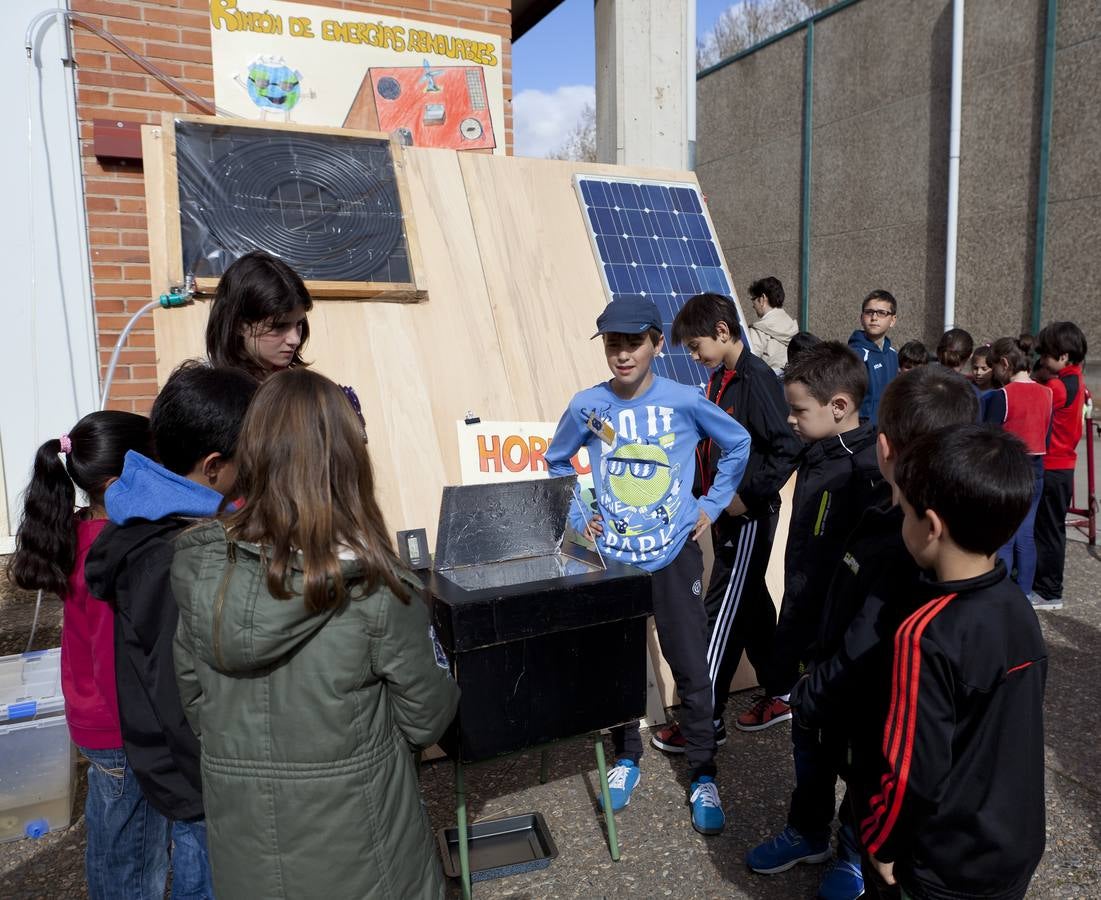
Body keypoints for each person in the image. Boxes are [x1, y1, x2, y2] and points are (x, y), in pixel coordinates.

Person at [171, 369, 459, 899]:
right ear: (349, 461)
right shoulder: (377, 588)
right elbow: (427, 717)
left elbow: (195, 703)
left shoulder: (202, 572)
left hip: (246, 857)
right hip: (366, 858)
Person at [545, 294, 751, 835]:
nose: (622, 353)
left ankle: (703, 771)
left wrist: (709, 505)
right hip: (612, 560)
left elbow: (737, 443)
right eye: (613, 343)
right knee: (617, 662)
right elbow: (555, 461)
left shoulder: (685, 399)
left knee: (689, 662)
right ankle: (626, 756)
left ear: (657, 344)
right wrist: (580, 511)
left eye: (633, 342)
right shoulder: (588, 405)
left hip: (673, 555)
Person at [788, 366, 979, 900]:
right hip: (832, 690)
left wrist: (812, 690)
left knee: (866, 790)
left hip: (862, 712)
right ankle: (816, 837)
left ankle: (855, 853)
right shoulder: (880, 514)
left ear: (886, 448)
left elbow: (869, 642)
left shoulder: (914, 550)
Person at [85, 362, 259, 899]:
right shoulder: (169, 554)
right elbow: (173, 685)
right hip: (195, 775)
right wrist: (219, 776)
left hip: (177, 762)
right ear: (212, 467)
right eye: (249, 459)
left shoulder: (148, 517)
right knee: (203, 874)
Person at [862, 425, 1046, 900]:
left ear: (931, 525)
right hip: (1014, 842)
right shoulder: (1016, 605)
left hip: (946, 860)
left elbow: (911, 772)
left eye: (904, 512)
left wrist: (882, 843)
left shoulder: (924, 635)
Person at [744, 342, 887, 893]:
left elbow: (867, 576)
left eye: (799, 410)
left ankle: (854, 851)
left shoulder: (867, 472)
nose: (790, 419)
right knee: (808, 734)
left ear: (840, 406)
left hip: (848, 644)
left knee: (856, 750)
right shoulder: (818, 453)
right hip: (806, 630)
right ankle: (807, 830)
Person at [8, 412, 159, 899]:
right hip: (123, 723)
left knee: (113, 839)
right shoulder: (121, 548)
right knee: (132, 858)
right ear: (120, 480)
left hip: (92, 715)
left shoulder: (72, 531)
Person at [652, 293, 800, 753]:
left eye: (696, 347)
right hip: (724, 513)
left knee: (718, 615)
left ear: (722, 331)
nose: (694, 358)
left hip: (749, 517)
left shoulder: (756, 380)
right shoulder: (722, 378)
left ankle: (704, 718)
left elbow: (786, 448)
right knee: (751, 606)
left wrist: (745, 496)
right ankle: (782, 691)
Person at [984, 337, 1053, 599]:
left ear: (1004, 364)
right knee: (1025, 535)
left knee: (1005, 536)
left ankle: (1000, 595)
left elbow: (988, 438)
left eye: (995, 368)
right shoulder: (1047, 393)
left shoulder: (1003, 395)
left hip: (1008, 470)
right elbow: (1046, 435)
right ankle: (1024, 594)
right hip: (1036, 468)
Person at [1032, 321, 1089, 610]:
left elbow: (1037, 401)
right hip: (1061, 466)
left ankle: (1049, 591)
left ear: (1063, 356)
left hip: (1054, 466)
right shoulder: (1074, 379)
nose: (1042, 360)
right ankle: (1044, 586)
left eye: (1046, 355)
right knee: (1049, 528)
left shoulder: (1058, 385)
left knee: (1049, 531)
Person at [205, 249, 311, 379]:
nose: (295, 339)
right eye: (279, 326)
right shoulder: (210, 395)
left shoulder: (296, 386)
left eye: (299, 324)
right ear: (239, 325)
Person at [847, 290, 899, 425]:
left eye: (882, 313)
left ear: (893, 320)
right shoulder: (854, 354)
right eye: (869, 312)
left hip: (887, 428)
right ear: (861, 317)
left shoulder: (893, 354)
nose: (874, 317)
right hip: (862, 432)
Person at [746, 276, 798, 372]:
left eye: (753, 299)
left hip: (767, 384)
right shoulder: (791, 325)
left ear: (762, 299)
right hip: (789, 383)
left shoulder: (758, 331)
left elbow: (748, 364)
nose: (753, 305)